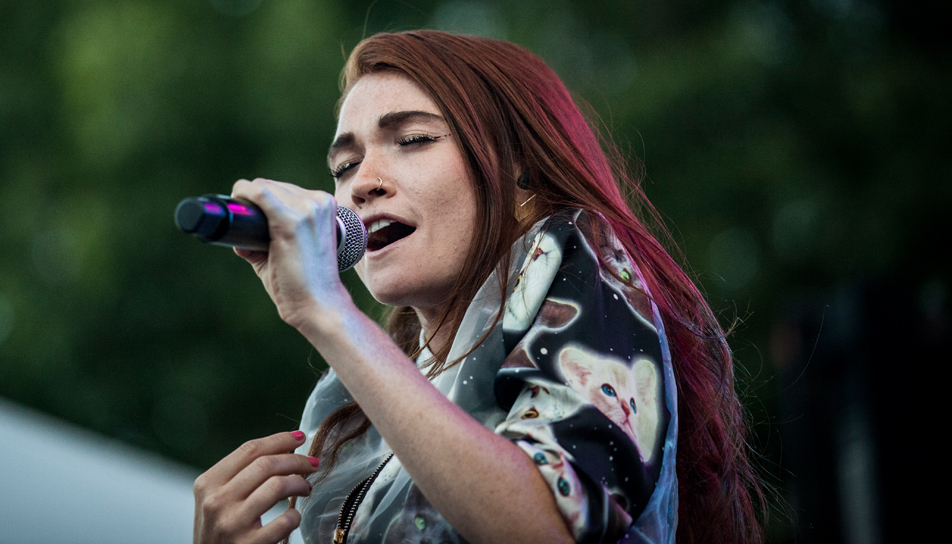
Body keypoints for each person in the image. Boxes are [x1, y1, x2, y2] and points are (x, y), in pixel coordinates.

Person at [192, 31, 763, 544]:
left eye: (412, 139)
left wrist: (328, 315)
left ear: (522, 170)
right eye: (343, 167)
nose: (362, 183)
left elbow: (555, 528)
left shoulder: (572, 255)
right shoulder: (345, 409)